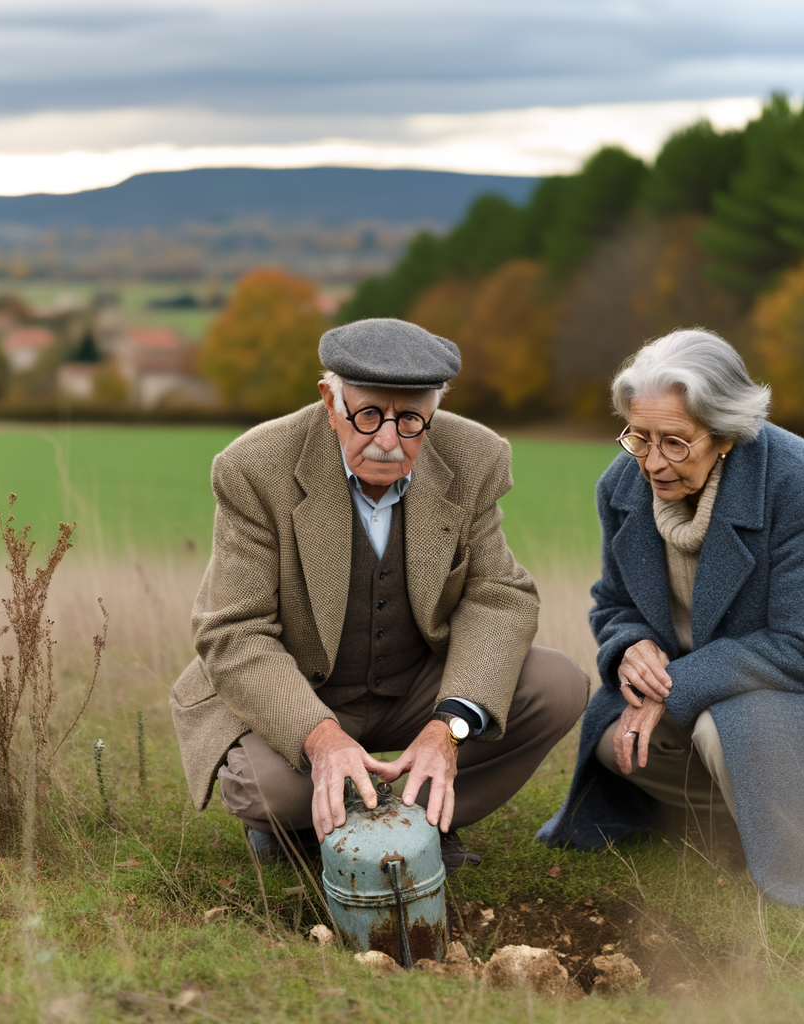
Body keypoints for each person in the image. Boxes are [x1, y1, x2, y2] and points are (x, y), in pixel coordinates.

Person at [171, 318, 588, 867]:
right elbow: (233, 629)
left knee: (557, 685)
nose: (389, 441)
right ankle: (303, 826)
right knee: (268, 790)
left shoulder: (477, 458)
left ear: (433, 413)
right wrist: (319, 738)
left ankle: (421, 822)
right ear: (330, 399)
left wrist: (448, 727)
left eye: (411, 419)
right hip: (300, 693)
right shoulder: (254, 467)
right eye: (368, 415)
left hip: (413, 689)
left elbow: (498, 595)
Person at [538, 328, 804, 906]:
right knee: (610, 737)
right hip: (697, 694)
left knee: (721, 726)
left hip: (801, 697)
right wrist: (630, 648)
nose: (651, 462)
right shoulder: (621, 485)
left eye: (674, 442)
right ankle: (740, 823)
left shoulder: (802, 486)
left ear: (724, 433)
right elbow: (614, 603)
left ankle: (802, 833)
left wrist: (672, 688)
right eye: (638, 437)